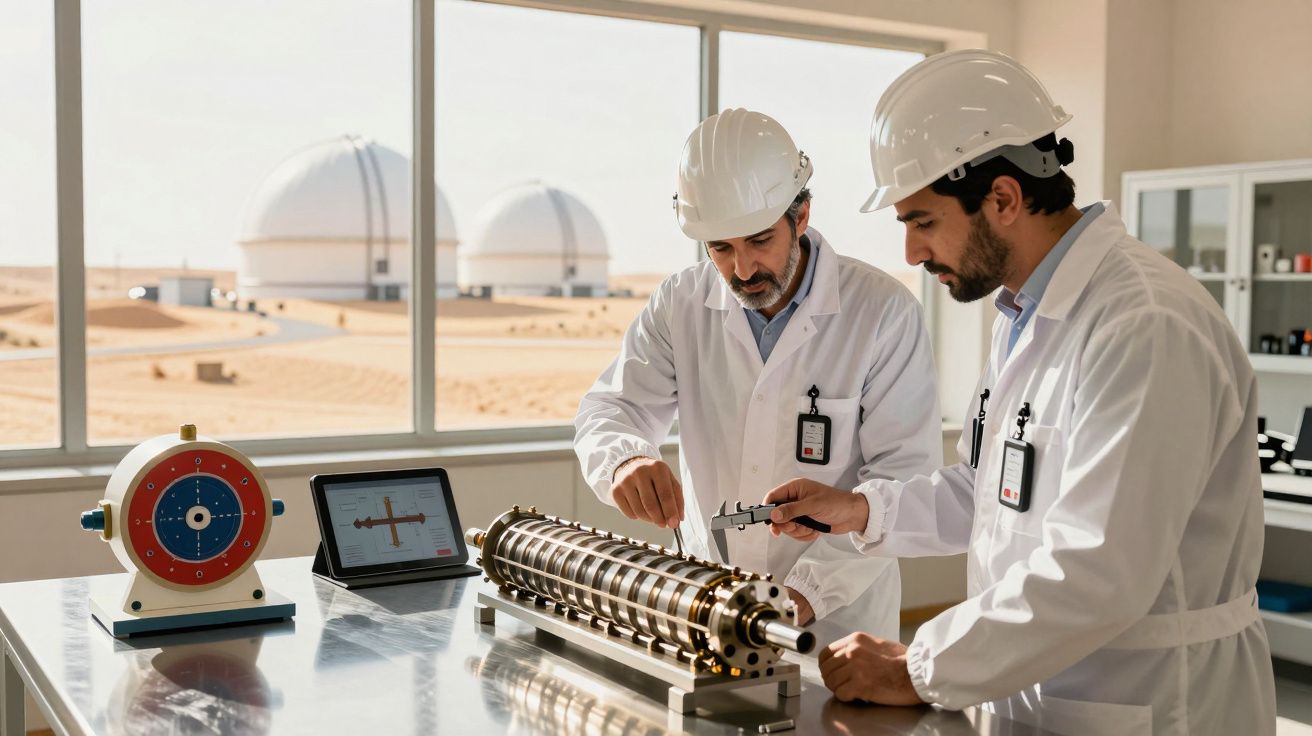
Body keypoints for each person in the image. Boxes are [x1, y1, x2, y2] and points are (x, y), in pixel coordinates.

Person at [764, 49, 1275, 735]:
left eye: (921, 222)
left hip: (1151, 703)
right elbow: (996, 494)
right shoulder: (1024, 315)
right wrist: (856, 509)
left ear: (1002, 197)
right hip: (1042, 695)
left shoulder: (1143, 326)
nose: (912, 255)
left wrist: (918, 667)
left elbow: (1100, 569)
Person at [574, 108, 942, 641]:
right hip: (709, 603)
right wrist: (625, 459)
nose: (742, 270)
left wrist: (801, 596)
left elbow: (902, 479)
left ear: (802, 214)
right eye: (720, 248)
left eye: (759, 240)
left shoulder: (883, 312)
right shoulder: (679, 303)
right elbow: (609, 409)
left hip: (839, 623)